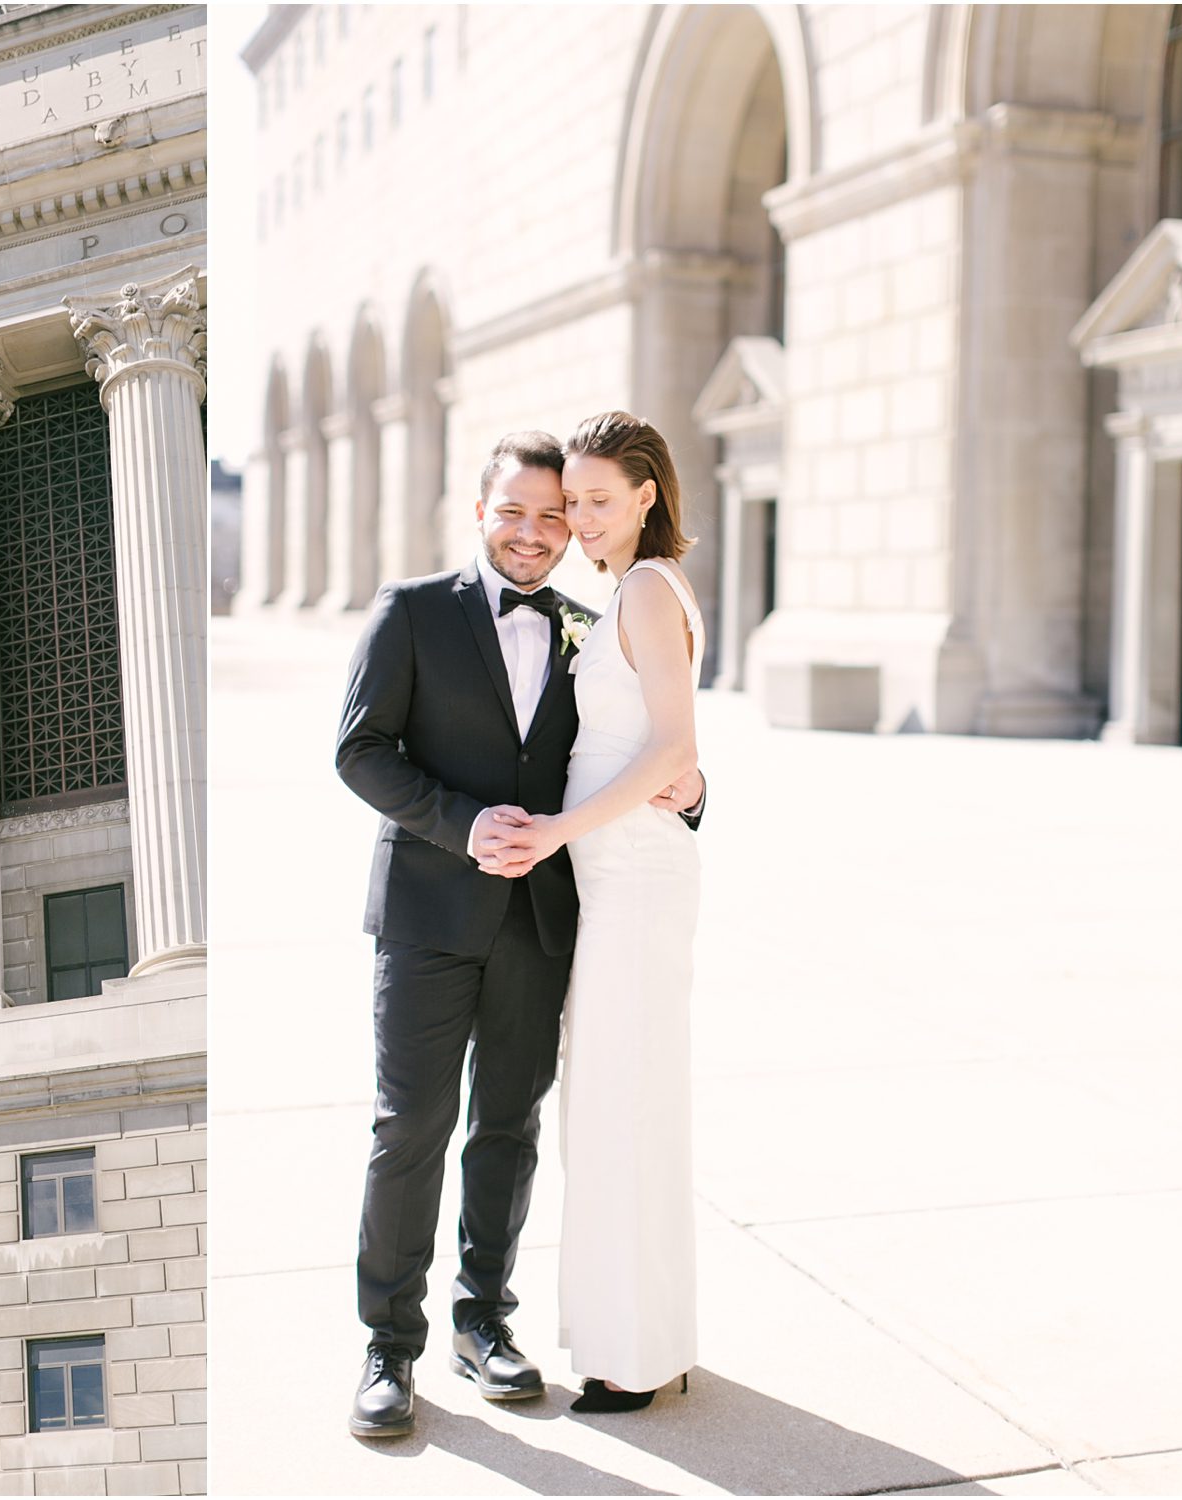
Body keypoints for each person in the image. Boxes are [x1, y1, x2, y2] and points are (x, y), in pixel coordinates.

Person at [335, 430, 705, 1437]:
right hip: (426, 912)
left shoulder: (594, 621)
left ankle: (482, 1323)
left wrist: (693, 788)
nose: (540, 532)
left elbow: (632, 749)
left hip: (543, 923)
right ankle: (388, 1348)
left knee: (507, 1127)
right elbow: (358, 750)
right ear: (478, 512)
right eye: (518, 512)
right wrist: (460, 823)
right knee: (406, 1128)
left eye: (556, 514)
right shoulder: (409, 611)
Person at [512, 410, 704, 1413]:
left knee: (620, 1109)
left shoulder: (638, 588)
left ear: (645, 496)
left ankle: (630, 1356)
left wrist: (550, 832)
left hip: (628, 880)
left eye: (596, 500)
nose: (579, 520)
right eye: (570, 502)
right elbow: (674, 754)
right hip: (623, 875)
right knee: (625, 1104)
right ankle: (647, 1339)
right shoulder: (637, 590)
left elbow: (670, 746)